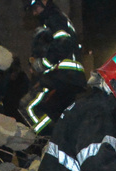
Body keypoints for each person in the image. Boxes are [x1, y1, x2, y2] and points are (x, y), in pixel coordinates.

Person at [18, 0, 87, 136]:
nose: (34, 12)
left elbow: (62, 42)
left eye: (35, 7)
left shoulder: (53, 18)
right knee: (55, 113)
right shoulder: (55, 19)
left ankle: (48, 139)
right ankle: (58, 140)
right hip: (67, 77)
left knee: (27, 106)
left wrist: (41, 64)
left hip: (61, 75)